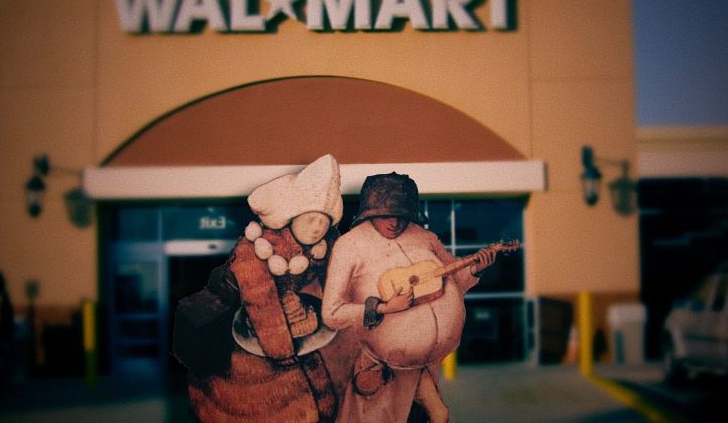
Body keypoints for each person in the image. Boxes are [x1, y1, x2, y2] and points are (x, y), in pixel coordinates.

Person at [173, 154, 355, 422]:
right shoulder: (254, 250)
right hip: (251, 340)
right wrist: (282, 354)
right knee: (273, 405)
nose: (317, 228)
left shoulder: (320, 246)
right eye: (309, 219)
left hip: (296, 333)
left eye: (323, 221)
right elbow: (262, 304)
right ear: (291, 217)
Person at [322, 172, 497, 423]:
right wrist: (382, 308)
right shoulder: (349, 246)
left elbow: (453, 282)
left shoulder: (425, 238)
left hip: (425, 368)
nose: (394, 223)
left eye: (401, 216)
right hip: (381, 372)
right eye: (385, 215)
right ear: (369, 212)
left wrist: (475, 269)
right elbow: (332, 313)